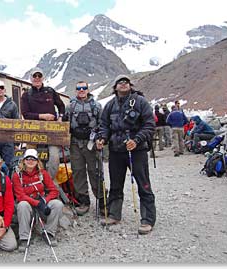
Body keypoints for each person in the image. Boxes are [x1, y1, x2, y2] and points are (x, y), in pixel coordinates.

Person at [96, 74, 156, 235]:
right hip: (116, 150)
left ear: (130, 85)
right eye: (119, 83)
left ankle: (148, 219)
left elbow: (149, 125)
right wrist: (102, 138)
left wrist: (137, 140)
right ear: (115, 87)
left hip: (137, 150)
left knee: (143, 183)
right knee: (115, 184)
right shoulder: (109, 105)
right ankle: (114, 214)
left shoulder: (141, 102)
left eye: (126, 82)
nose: (123, 84)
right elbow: (104, 125)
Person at [64, 81, 103, 216]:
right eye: (78, 88)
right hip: (75, 144)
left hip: (91, 143)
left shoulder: (96, 106)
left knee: (95, 171)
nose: (81, 90)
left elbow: (103, 124)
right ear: (76, 90)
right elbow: (65, 124)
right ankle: (83, 201)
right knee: (78, 172)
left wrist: (100, 138)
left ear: (88, 89)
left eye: (84, 88)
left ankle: (102, 200)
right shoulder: (70, 107)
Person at [12, 149, 63, 252]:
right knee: (22, 205)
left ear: (37, 161)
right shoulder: (17, 175)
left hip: (41, 201)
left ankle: (49, 233)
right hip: (27, 204)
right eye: (28, 159)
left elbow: (54, 190)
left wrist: (45, 201)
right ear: (23, 160)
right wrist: (37, 203)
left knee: (57, 204)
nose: (30, 161)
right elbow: (20, 195)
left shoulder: (42, 173)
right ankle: (24, 238)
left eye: (33, 159)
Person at [20, 67, 65, 180]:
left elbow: (61, 106)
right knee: (30, 157)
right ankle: (33, 180)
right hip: (33, 132)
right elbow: (25, 114)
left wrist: (60, 117)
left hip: (51, 132)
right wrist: (42, 116)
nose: (37, 78)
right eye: (34, 76)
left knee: (54, 157)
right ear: (31, 78)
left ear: (43, 78)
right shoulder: (26, 95)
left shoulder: (50, 91)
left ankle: (49, 181)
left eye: (39, 76)